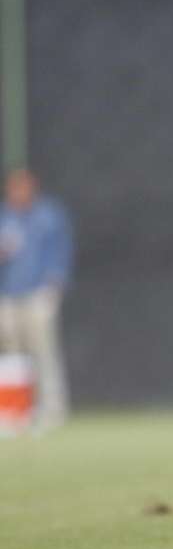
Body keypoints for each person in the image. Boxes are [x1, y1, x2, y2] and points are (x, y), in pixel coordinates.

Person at [0, 168, 74, 430]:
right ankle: (15, 409)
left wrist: (52, 287)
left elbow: (60, 253)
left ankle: (52, 408)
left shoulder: (47, 216)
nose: (18, 193)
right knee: (11, 355)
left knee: (43, 352)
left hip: (38, 294)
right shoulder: (5, 216)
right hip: (8, 294)